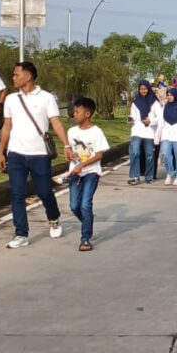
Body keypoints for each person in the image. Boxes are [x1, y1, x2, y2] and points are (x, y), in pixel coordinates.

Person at [0, 61, 70, 249]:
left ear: (28, 76)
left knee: (44, 191)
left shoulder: (46, 98)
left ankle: (54, 218)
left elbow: (56, 123)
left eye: (16, 75)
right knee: (17, 194)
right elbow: (7, 126)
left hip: (39, 154)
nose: (13, 78)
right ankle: (21, 233)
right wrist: (1, 151)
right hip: (16, 154)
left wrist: (67, 145)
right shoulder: (11, 99)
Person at [65, 95, 110, 251]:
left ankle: (85, 238)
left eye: (77, 111)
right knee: (74, 206)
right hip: (75, 173)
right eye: (74, 111)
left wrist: (82, 165)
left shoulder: (96, 132)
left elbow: (99, 155)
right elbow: (69, 151)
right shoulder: (71, 132)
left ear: (87, 114)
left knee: (85, 204)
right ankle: (87, 222)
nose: (74, 114)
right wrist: (70, 155)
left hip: (91, 172)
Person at [155, 87, 177, 185]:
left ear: (176, 96)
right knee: (166, 155)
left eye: (171, 95)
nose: (169, 97)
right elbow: (161, 123)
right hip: (166, 135)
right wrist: (157, 137)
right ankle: (170, 173)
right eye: (168, 95)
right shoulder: (164, 107)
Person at [128, 81, 160, 185]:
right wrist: (131, 119)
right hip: (137, 130)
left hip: (149, 131)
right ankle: (134, 176)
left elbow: (160, 118)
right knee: (134, 152)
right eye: (141, 89)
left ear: (148, 89)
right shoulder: (135, 101)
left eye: (145, 89)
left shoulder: (154, 102)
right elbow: (133, 115)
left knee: (150, 154)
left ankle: (149, 176)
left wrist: (150, 121)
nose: (143, 91)